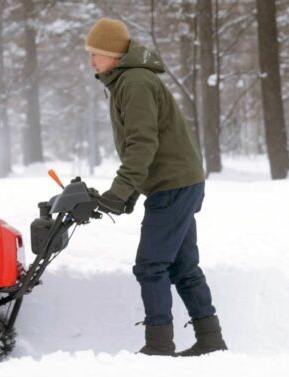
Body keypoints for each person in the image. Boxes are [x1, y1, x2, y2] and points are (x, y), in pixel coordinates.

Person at [85, 17, 227, 356]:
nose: (91, 60)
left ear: (114, 55)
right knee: (183, 266)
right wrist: (127, 195)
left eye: (96, 53)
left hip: (173, 185)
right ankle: (210, 339)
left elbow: (142, 144)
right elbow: (146, 147)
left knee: (150, 266)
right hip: (178, 182)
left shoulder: (133, 83)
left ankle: (159, 345)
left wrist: (120, 192)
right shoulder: (126, 81)